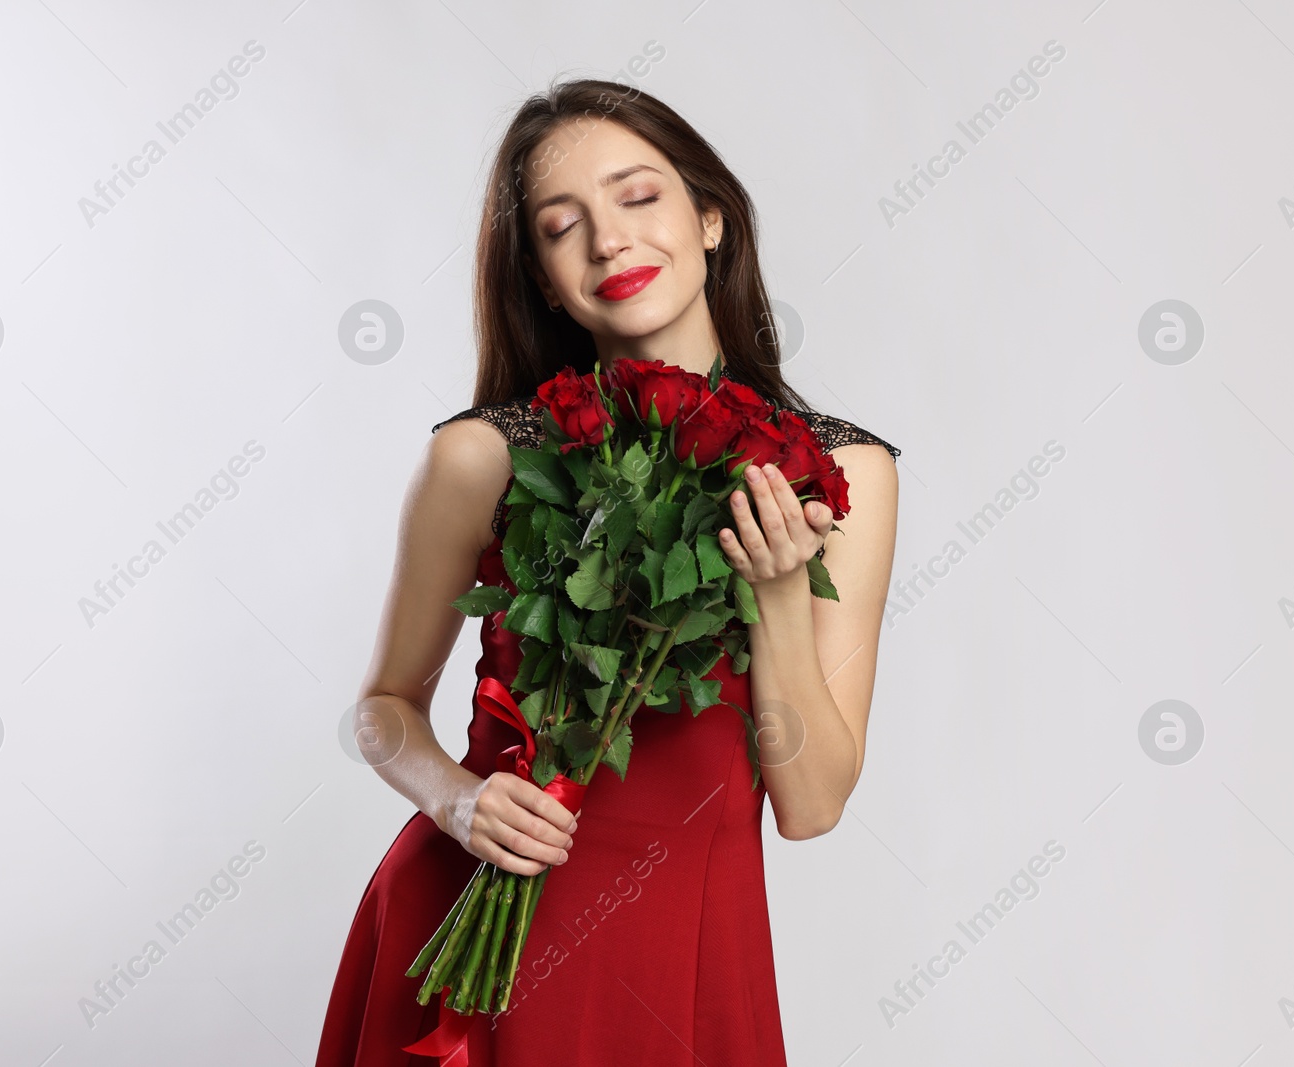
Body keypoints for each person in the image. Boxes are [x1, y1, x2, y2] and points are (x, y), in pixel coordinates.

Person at [315, 77, 899, 1066]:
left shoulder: (839, 475)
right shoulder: (484, 456)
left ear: (709, 218)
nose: (609, 241)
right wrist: (458, 801)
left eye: (638, 198)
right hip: (465, 929)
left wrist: (777, 599)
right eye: (561, 224)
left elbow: (812, 804)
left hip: (682, 950)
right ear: (543, 276)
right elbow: (382, 709)